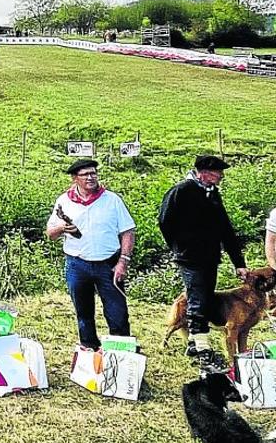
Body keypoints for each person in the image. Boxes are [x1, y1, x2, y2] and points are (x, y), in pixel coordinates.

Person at [158, 155, 248, 369]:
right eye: (218, 172)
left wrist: (238, 262)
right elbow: (164, 221)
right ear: (203, 173)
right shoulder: (181, 191)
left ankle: (193, 342)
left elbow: (226, 230)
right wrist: (179, 246)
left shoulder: (213, 194)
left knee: (205, 298)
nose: (221, 176)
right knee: (197, 299)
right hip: (190, 257)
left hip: (210, 257)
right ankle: (203, 350)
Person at [46, 159, 136, 350]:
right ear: (74, 178)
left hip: (109, 264)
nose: (90, 177)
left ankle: (120, 353)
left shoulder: (112, 200)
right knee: (83, 312)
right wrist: (62, 227)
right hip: (77, 265)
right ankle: (89, 351)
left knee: (117, 313)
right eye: (85, 174)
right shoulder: (64, 201)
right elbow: (50, 234)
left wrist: (123, 261)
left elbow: (128, 231)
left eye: (93, 173)